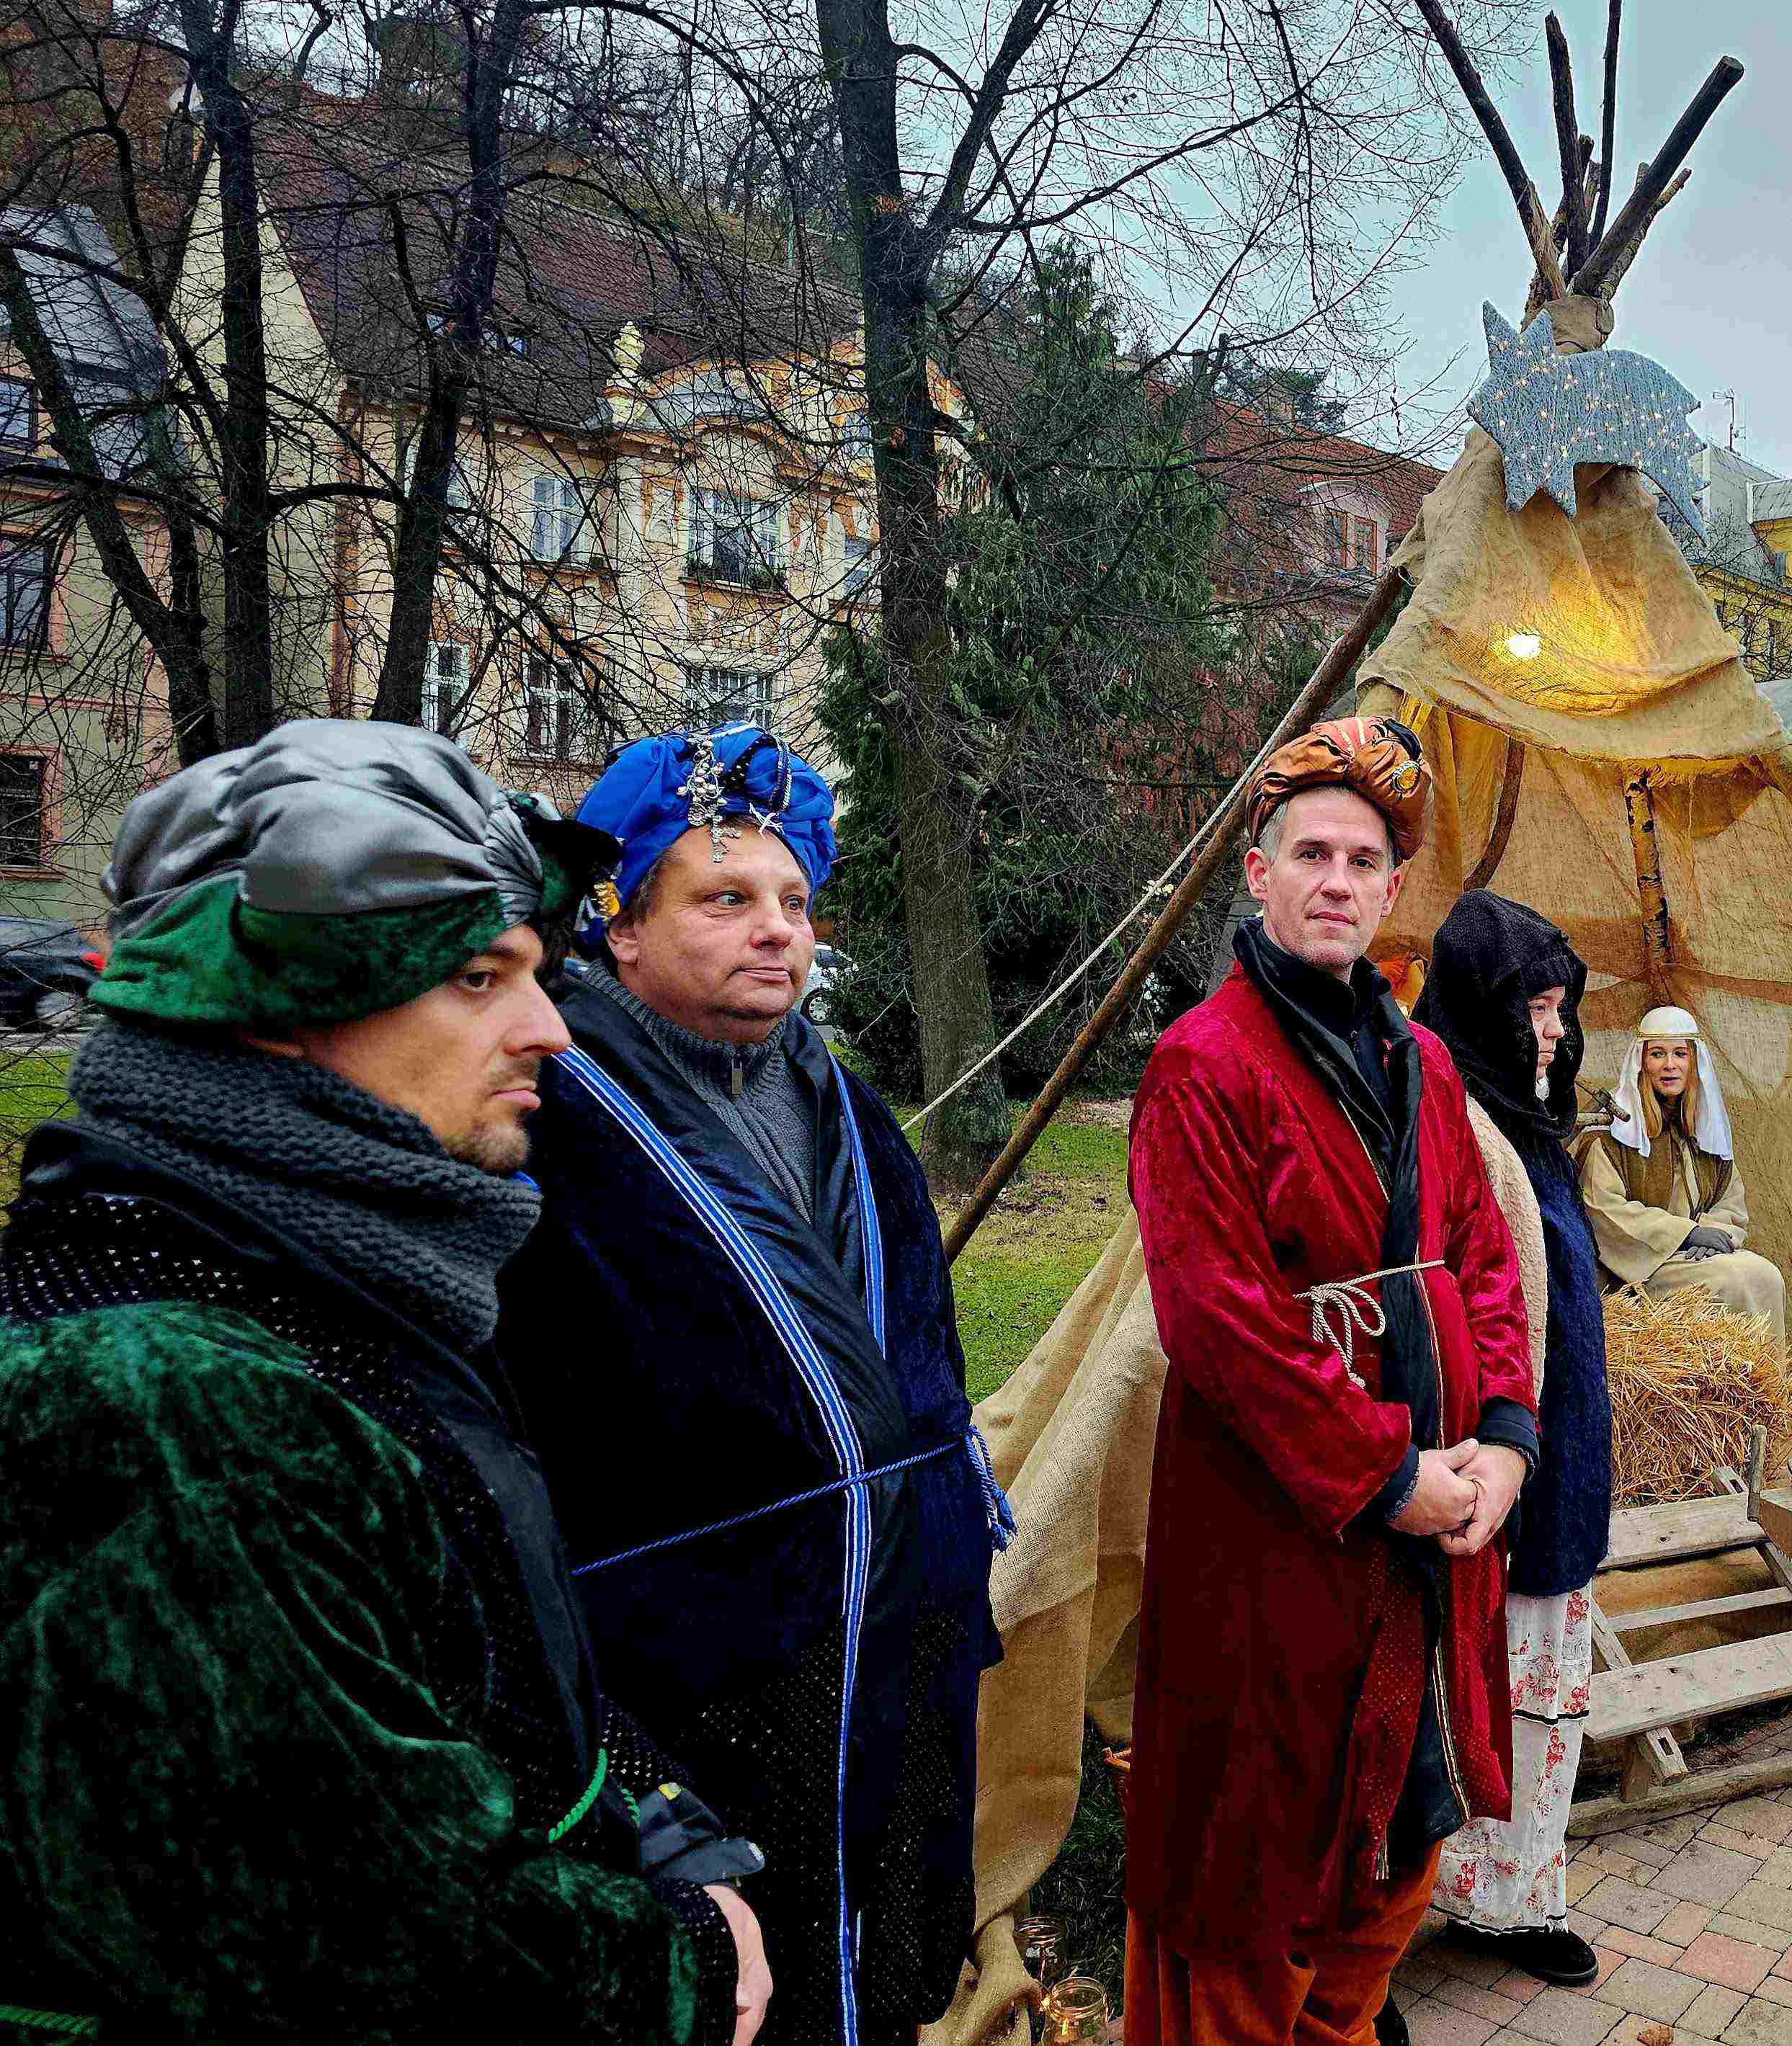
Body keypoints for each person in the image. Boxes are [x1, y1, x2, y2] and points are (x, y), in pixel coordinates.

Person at [0, 721, 767, 2045]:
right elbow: (365, 1952)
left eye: (535, 971)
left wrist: (646, 1809)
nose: (554, 1032)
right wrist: (677, 1965)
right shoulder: (176, 1406)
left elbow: (478, 1663)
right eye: (480, 978)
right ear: (287, 1014)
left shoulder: (341, 1284)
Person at [498, 725, 1007, 2046]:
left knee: (883, 1972)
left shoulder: (849, 1112)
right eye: (724, 898)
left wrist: (954, 1576)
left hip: (894, 1648)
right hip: (694, 1689)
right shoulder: (546, 1129)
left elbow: (929, 1385)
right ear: (617, 921)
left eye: (793, 901)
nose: (776, 931)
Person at [1122, 715, 1538, 2046]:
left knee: (1400, 1818)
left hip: (1432, 1528)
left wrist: (1509, 1443)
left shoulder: (1420, 1063)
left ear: (1393, 888)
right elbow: (1220, 1319)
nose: (1337, 881)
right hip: (1272, 1533)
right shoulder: (1204, 1063)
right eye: (1311, 852)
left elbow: (1478, 1251)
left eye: (1364, 859)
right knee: (1257, 1852)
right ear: (1259, 871)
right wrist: (1386, 1473)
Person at [1417, 890, 1613, 1988]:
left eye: (1560, 1011)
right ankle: (1419, 1909)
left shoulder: (1531, 1126)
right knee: (1461, 1702)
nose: (1555, 1032)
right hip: (1484, 1471)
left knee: (1543, 1702)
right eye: (1535, 1009)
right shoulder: (1448, 1119)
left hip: (1558, 1463)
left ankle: (1519, 1901)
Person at [1577, 1004, 1787, 1338]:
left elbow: (1730, 1205)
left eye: (1680, 1054)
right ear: (1642, 1063)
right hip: (1636, 1270)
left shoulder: (1706, 1135)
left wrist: (1710, 1234)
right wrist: (1683, 1234)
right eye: (1658, 1054)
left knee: (1766, 1276)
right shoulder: (1611, 1137)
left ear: (1694, 1064)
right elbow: (1603, 1211)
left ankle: (1766, 1388)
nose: (1669, 1065)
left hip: (1693, 1258)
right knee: (1734, 1280)